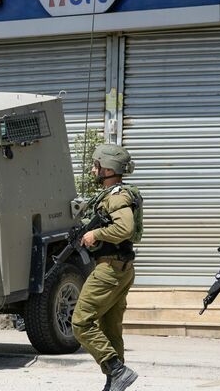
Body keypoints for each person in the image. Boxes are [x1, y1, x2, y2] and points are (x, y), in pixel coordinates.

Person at [72, 144, 143, 391]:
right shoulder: (112, 194)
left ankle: (117, 370)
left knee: (80, 323)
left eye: (97, 165)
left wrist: (96, 234)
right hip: (120, 268)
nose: (93, 170)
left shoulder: (116, 196)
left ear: (109, 169)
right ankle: (115, 382)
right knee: (111, 329)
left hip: (110, 270)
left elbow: (125, 228)